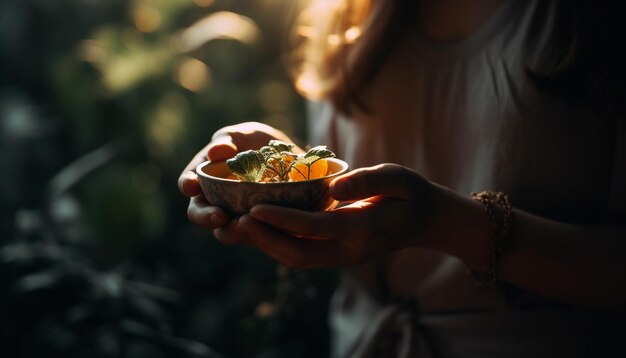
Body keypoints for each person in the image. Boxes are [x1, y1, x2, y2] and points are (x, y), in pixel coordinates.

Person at [179, 0, 626, 356]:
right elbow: (346, 175)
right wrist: (287, 175)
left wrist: (443, 224)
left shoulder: (590, 20)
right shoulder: (348, 11)